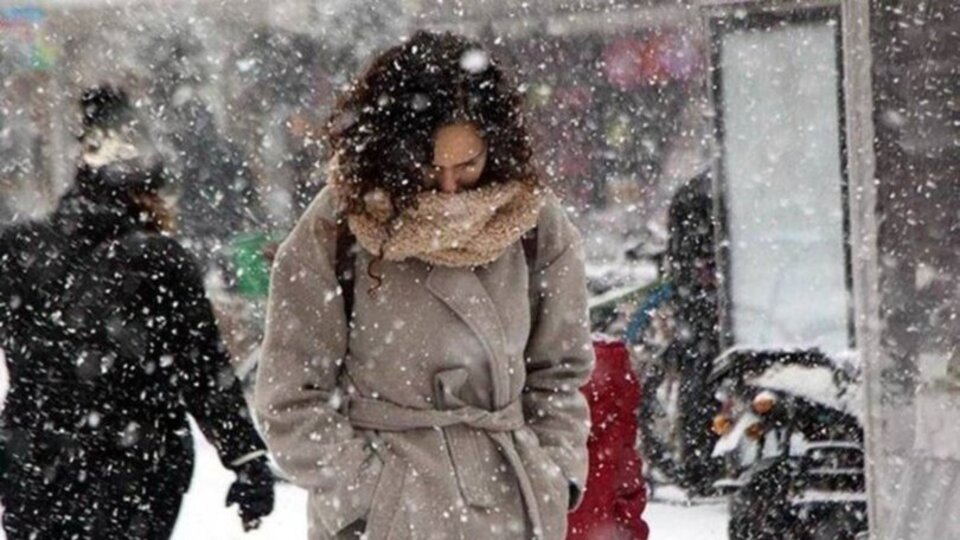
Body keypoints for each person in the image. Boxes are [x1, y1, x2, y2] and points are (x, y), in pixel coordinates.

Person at [255, 31, 594, 540]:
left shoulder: (535, 223)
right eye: (430, 168)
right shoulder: (337, 229)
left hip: (511, 500)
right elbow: (292, 397)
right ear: (391, 154)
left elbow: (560, 372)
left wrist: (555, 474)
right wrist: (365, 496)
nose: (450, 188)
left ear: (495, 147)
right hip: (389, 513)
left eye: (469, 165)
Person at [0, 86, 274, 539]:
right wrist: (246, 460)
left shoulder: (21, 252)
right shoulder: (160, 263)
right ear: (146, 196)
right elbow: (204, 373)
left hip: (35, 464)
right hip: (135, 473)